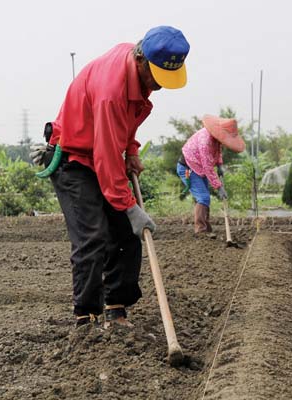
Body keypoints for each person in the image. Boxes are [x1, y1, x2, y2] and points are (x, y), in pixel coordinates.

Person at [30, 26, 190, 329]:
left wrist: (131, 150)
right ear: (141, 61)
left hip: (100, 154)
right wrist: (130, 207)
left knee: (127, 234)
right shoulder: (111, 90)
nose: (158, 85)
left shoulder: (135, 65)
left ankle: (116, 309)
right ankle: (86, 319)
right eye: (155, 76)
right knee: (93, 236)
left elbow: (124, 124)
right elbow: (105, 154)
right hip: (73, 160)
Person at [177, 115, 245, 234]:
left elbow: (217, 152)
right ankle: (201, 231)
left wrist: (219, 165)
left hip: (199, 167)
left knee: (205, 198)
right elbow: (208, 167)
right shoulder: (205, 141)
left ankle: (207, 229)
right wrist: (219, 187)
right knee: (203, 197)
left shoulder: (216, 138)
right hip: (188, 168)